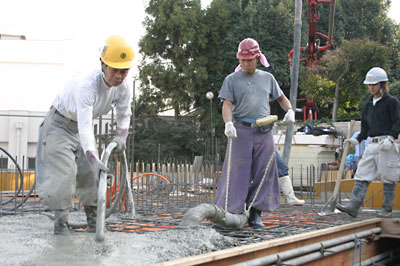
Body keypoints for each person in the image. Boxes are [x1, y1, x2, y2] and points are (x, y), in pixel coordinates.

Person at [36, 35, 134, 235]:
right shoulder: (87, 86)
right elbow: (86, 126)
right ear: (102, 64)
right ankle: (61, 228)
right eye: (114, 70)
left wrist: (121, 137)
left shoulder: (123, 87)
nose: (119, 76)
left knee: (91, 176)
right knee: (65, 175)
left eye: (124, 71)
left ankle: (94, 226)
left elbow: (125, 114)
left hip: (78, 129)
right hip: (58, 126)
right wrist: (92, 157)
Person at [215, 38, 295, 229]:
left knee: (265, 171)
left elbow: (281, 98)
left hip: (264, 130)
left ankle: (255, 213)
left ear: (257, 58)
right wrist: (228, 123)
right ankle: (231, 213)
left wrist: (290, 110)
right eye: (242, 60)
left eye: (249, 60)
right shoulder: (231, 80)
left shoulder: (267, 78)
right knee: (236, 172)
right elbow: (227, 104)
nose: (245, 64)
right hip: (240, 131)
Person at [336, 67, 400, 218]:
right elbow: (365, 129)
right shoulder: (368, 105)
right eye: (369, 85)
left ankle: (386, 209)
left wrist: (391, 138)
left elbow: (398, 122)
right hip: (372, 143)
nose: (371, 87)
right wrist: (356, 140)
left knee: (388, 176)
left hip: (387, 144)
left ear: (382, 84)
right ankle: (353, 206)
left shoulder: (392, 102)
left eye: (374, 84)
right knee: (362, 174)